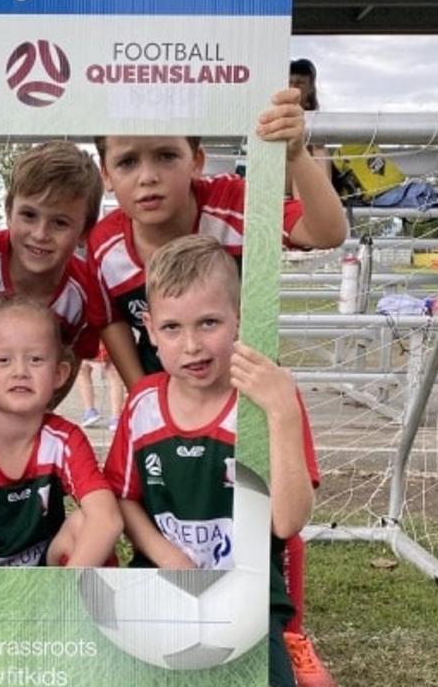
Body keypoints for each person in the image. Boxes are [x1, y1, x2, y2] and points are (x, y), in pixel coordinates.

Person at [103, 236, 319, 687]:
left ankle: (291, 650)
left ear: (239, 319)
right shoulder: (143, 402)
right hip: (160, 588)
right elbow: (122, 501)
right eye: (172, 328)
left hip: (248, 601)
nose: (192, 345)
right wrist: (165, 555)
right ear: (149, 327)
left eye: (209, 323)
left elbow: (288, 521)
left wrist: (281, 412)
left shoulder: (266, 399)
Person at [89, 86, 348, 384]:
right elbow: (111, 322)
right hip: (165, 396)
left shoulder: (233, 201)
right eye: (127, 162)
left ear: (196, 162)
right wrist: (142, 397)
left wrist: (297, 154)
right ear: (106, 175)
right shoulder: (103, 245)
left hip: (246, 391)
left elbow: (328, 232)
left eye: (166, 155)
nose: (148, 177)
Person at [0, 140, 108, 415]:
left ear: (85, 231)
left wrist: (35, 418)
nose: (40, 233)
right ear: (9, 212)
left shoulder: (85, 287)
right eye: (29, 215)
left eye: (60, 222)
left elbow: (72, 360)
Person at [0, 296, 123, 566]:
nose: (20, 371)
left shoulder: (63, 439)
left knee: (85, 525)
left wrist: (62, 593)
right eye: (3, 360)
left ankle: (82, 606)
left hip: (47, 578)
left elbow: (108, 519)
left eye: (35, 359)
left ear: (59, 374)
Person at [289, 59, 333, 188]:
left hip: (305, 187)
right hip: (279, 187)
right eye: (289, 82)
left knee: (319, 149)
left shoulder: (316, 122)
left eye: (300, 83)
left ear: (310, 88)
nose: (293, 87)